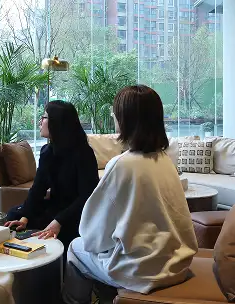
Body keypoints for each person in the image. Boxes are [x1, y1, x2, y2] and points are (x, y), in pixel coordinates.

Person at [62, 85, 197, 304]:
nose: (113, 117)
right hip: (177, 265)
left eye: (115, 113)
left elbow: (92, 235)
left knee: (76, 248)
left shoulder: (122, 165)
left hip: (142, 272)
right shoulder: (166, 161)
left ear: (125, 119)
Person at [3, 100, 99, 249]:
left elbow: (87, 196)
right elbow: (37, 189)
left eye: (44, 117)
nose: (40, 121)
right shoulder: (47, 151)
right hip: (55, 207)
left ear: (57, 122)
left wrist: (58, 221)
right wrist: (25, 217)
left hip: (76, 213)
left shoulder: (83, 154)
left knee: (61, 233)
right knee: (13, 216)